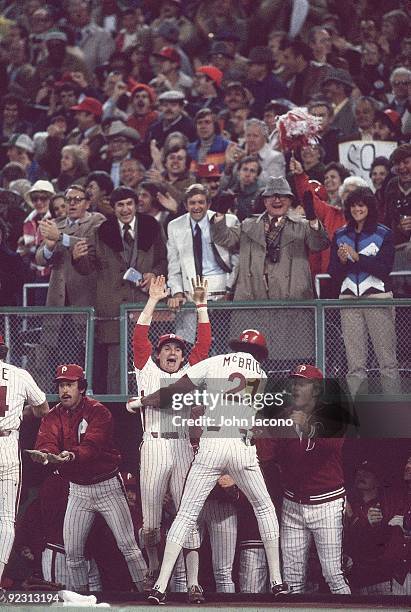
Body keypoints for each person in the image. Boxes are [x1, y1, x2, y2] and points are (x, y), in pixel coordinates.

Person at [138, 329, 287, 604]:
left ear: (236, 346)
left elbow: (175, 392)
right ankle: (277, 581)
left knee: (185, 514)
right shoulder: (262, 376)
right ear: (259, 354)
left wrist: (142, 401)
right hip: (241, 445)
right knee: (264, 507)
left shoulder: (216, 361)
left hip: (213, 443)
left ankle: (159, 586)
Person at [28, 363, 147, 593]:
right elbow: (46, 442)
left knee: (128, 546)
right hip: (78, 490)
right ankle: (82, 599)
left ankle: (146, 593)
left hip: (107, 486)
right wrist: (46, 455)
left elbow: (93, 444)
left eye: (70, 384)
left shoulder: (98, 411)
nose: (64, 390)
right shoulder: (52, 416)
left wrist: (71, 455)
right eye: (61, 385)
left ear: (81, 387)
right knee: (72, 553)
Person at [128, 275, 211, 600]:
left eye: (178, 348)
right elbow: (139, 337)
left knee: (187, 517)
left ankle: (193, 583)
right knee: (150, 525)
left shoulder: (189, 373)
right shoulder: (147, 370)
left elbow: (203, 344)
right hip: (153, 445)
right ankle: (153, 561)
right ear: (158, 355)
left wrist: (201, 304)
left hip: (180, 446)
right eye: (167, 349)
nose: (173, 352)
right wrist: (152, 300)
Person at [258, 364, 351, 595]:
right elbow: (267, 455)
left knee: (333, 575)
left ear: (316, 389)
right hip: (293, 505)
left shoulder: (333, 413)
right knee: (292, 580)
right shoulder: (283, 416)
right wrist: (257, 434)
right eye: (293, 383)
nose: (295, 388)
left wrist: (306, 425)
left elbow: (331, 445)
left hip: (327, 503)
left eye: (301, 383)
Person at [73, 186, 167, 393]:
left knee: (148, 361)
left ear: (136, 205)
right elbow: (88, 268)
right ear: (113, 208)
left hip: (145, 305)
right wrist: (77, 259)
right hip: (113, 310)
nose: (125, 209)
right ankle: (117, 413)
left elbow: (163, 260)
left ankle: (152, 403)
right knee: (116, 367)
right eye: (120, 205)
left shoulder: (152, 226)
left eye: (129, 204)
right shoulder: (102, 231)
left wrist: (153, 274)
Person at [328, 187, 400, 397]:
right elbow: (333, 273)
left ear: (369, 206)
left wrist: (358, 257)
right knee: (355, 364)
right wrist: (342, 261)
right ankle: (359, 414)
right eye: (353, 205)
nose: (357, 209)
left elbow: (385, 269)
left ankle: (393, 410)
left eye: (361, 205)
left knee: (387, 361)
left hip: (378, 298)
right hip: (349, 300)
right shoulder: (340, 234)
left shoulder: (384, 233)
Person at [0, 335, 49, 601]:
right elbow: (43, 409)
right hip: (7, 443)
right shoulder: (19, 374)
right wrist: (20, 414)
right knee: (6, 518)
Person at [167, 183, 239, 342]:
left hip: (222, 293)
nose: (197, 207)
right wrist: (177, 292)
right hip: (190, 296)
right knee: (189, 346)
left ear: (209, 204)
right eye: (192, 203)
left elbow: (237, 260)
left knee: (222, 345)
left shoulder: (229, 220)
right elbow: (173, 265)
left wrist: (229, 290)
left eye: (201, 202)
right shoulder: (174, 226)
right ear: (186, 205)